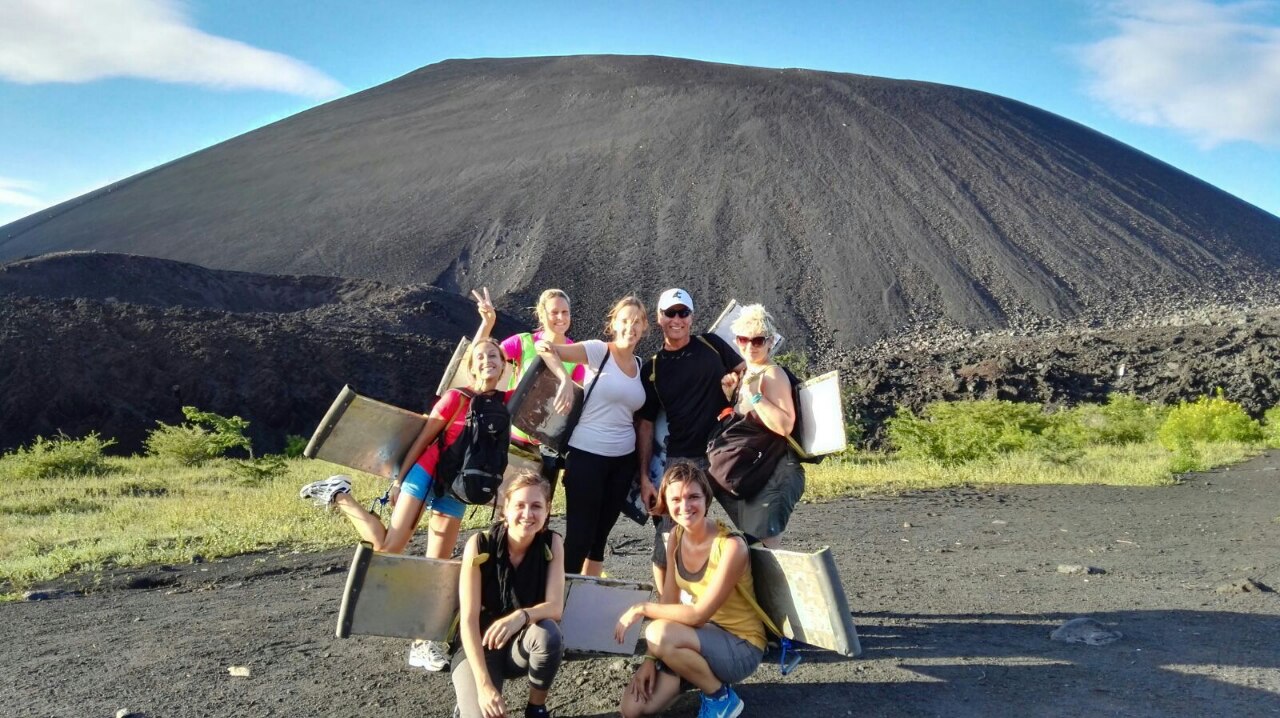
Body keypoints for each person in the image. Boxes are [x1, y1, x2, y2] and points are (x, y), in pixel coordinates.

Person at [298, 336, 511, 672]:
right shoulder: (456, 398)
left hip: (455, 487)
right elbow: (424, 438)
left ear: (504, 365)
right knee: (389, 547)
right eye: (481, 357)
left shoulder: (504, 403)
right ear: (471, 367)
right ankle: (339, 495)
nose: (488, 361)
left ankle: (423, 642)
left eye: (494, 356)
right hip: (425, 472)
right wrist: (399, 482)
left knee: (437, 565)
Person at [614, 463, 764, 718]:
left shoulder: (731, 546)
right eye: (675, 499)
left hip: (741, 647)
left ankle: (720, 697)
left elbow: (698, 615)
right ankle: (698, 674)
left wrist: (642, 608)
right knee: (633, 709)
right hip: (698, 639)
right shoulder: (676, 535)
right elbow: (670, 601)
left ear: (706, 499)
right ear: (666, 502)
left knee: (658, 632)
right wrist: (650, 659)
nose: (685, 506)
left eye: (693, 496)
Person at [636, 288, 744, 590]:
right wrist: (644, 476)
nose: (677, 319)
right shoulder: (653, 368)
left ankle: (755, 600)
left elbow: (746, 371)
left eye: (683, 312)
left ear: (692, 317)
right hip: (682, 458)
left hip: (724, 451)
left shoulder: (712, 344)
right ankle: (667, 602)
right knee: (668, 536)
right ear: (659, 318)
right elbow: (645, 424)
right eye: (670, 313)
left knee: (751, 526)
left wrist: (736, 387)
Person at [536, 296, 649, 576]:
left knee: (599, 541)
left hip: (622, 461)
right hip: (587, 456)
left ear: (645, 327)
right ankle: (559, 597)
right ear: (614, 323)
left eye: (637, 321)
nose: (631, 327)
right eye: (625, 320)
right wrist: (564, 379)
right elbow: (545, 347)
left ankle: (587, 595)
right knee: (579, 537)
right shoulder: (599, 351)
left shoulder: (639, 365)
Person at [453, 471, 565, 718]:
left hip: (519, 644)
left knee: (548, 633)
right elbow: (468, 620)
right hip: (479, 646)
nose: (528, 514)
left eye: (536, 506)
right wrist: (484, 687)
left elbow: (555, 607)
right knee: (481, 711)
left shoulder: (552, 543)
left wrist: (520, 616)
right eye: (519, 505)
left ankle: (536, 708)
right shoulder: (480, 544)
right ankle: (467, 699)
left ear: (547, 510)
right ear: (505, 510)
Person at [472, 287, 586, 496]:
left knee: (538, 504)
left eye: (565, 312)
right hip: (511, 438)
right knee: (504, 499)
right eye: (554, 312)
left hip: (545, 448)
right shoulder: (523, 342)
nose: (560, 318)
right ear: (541, 314)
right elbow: (481, 358)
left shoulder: (576, 354)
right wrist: (487, 324)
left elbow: (574, 406)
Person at [715, 304, 805, 549]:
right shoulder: (747, 373)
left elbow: (784, 425)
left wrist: (756, 396)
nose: (749, 346)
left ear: (770, 341)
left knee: (766, 547)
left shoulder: (772, 374)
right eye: (743, 339)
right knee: (756, 547)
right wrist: (732, 396)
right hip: (758, 469)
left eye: (757, 340)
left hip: (777, 471)